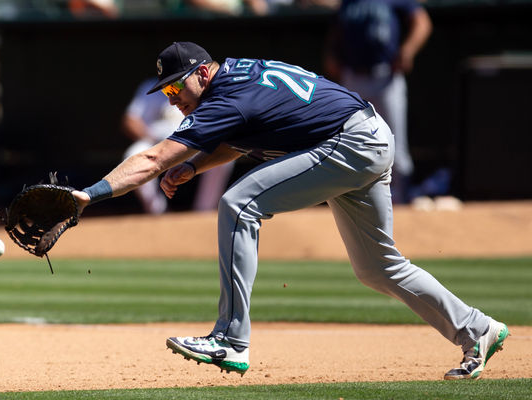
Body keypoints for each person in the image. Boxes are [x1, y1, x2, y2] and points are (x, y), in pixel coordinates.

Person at [72, 42, 508, 379]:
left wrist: (89, 195)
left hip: (349, 143)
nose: (171, 99)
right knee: (378, 268)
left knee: (238, 204)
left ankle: (230, 339)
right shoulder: (239, 75)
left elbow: (152, 160)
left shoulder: (227, 98)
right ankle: (476, 329)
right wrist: (194, 164)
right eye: (165, 90)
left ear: (202, 73)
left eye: (175, 86)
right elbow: (237, 139)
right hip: (367, 135)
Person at [323, 0, 432, 203]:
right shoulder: (348, 3)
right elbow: (337, 28)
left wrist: (408, 49)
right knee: (350, 141)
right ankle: (352, 199)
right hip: (353, 76)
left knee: (396, 144)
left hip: (385, 76)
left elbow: (422, 21)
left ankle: (401, 200)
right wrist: (331, 53)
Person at [122, 78, 234, 213]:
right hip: (159, 141)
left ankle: (204, 210)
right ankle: (157, 211)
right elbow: (131, 121)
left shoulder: (195, 85)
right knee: (134, 153)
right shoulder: (151, 87)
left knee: (222, 153)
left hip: (194, 143)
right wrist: (153, 140)